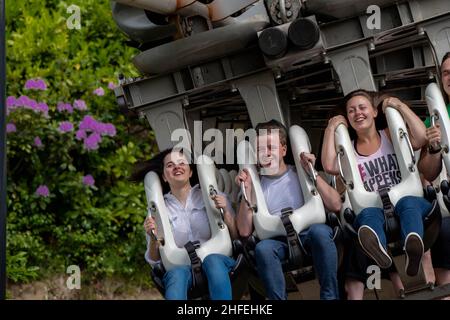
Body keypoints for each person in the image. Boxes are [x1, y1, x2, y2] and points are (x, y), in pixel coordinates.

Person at [321, 90, 430, 281]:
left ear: (374, 112)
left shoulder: (390, 135)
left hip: (408, 200)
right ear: (347, 118)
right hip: (374, 207)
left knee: (409, 205)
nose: (358, 113)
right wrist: (331, 128)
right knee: (366, 216)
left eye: (362, 108)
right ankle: (378, 249)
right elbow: (330, 166)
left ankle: (413, 245)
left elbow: (421, 138)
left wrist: (398, 105)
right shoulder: (348, 151)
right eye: (352, 111)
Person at [236, 119, 342, 300]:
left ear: (284, 150)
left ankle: (330, 296)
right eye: (261, 149)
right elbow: (245, 231)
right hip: (277, 240)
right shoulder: (255, 185)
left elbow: (336, 205)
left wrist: (312, 172)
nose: (266, 154)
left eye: (271, 147)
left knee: (320, 233)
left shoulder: (299, 174)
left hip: (309, 231)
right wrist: (247, 191)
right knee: (263, 249)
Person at [131, 148, 238, 300]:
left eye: (182, 163)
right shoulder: (159, 211)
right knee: (175, 276)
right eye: (170, 165)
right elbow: (154, 260)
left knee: (212, 261)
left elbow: (236, 236)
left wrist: (226, 211)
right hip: (181, 266)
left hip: (217, 260)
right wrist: (153, 237)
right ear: (164, 177)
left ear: (191, 172)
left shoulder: (212, 196)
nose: (177, 166)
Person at [418, 51, 450, 287]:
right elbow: (427, 172)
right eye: (446, 73)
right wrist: (434, 148)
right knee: (443, 229)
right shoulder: (434, 119)